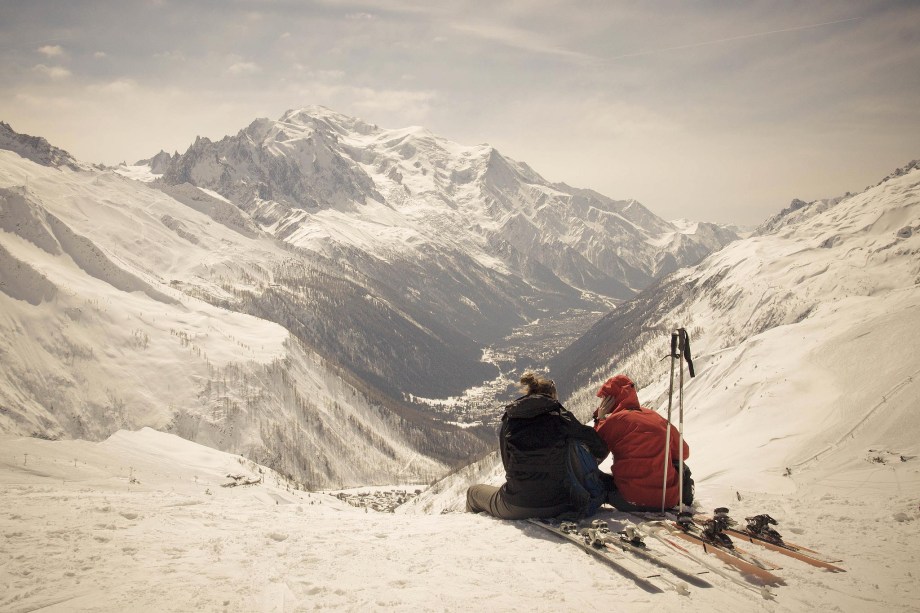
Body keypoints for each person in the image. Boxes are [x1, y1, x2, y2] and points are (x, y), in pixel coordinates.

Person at [466, 372, 609, 519]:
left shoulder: (510, 419)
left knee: (473, 492)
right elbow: (600, 448)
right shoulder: (561, 417)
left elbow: (507, 465)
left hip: (516, 503)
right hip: (559, 503)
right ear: (552, 396)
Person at [593, 374, 690, 511]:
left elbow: (593, 453)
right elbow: (683, 453)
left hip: (628, 499)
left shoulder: (613, 422)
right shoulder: (655, 417)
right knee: (680, 466)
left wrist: (600, 420)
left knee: (593, 476)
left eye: (604, 398)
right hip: (667, 499)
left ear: (610, 399)